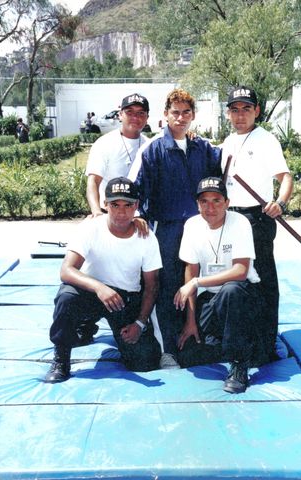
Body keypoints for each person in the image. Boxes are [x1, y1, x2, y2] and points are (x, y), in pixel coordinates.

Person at [132, 88, 221, 369]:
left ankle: (197, 338)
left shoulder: (203, 148)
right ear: (165, 115)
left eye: (186, 113)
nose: (180, 118)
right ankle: (167, 348)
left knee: (198, 284)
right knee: (167, 288)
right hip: (165, 232)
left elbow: (224, 170)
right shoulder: (153, 149)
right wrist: (138, 215)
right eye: (175, 112)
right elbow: (133, 189)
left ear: (193, 116)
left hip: (198, 229)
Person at [44, 177, 162, 384]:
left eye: (128, 205)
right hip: (92, 293)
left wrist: (139, 323)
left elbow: (152, 286)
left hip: (124, 300)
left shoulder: (146, 236)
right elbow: (66, 270)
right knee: (66, 297)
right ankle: (62, 357)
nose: (121, 212)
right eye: (115, 205)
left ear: (136, 206)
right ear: (105, 204)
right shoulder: (91, 228)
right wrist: (100, 288)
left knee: (146, 362)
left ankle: (106, 330)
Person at [221, 86, 293, 363]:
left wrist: (280, 202)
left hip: (257, 217)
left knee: (262, 280)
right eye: (235, 109)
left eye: (246, 109)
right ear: (228, 113)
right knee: (237, 281)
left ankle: (266, 344)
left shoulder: (266, 140)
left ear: (257, 111)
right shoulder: (228, 142)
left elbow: (285, 177)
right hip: (231, 217)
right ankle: (243, 338)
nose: (240, 115)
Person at [174, 177, 262, 393]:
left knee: (230, 290)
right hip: (212, 296)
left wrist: (197, 282)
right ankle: (235, 341)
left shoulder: (240, 222)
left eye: (216, 200)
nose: (210, 207)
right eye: (204, 201)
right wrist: (190, 321)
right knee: (189, 355)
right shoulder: (192, 225)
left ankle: (239, 364)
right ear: (197, 204)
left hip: (242, 293)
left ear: (227, 202)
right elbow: (190, 271)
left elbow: (240, 272)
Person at [85, 93, 150, 217]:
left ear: (147, 117)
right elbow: (93, 181)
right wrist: (96, 212)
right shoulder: (104, 143)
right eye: (129, 112)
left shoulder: (150, 146)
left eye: (141, 113)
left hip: (141, 217)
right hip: (109, 215)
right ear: (120, 115)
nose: (135, 117)